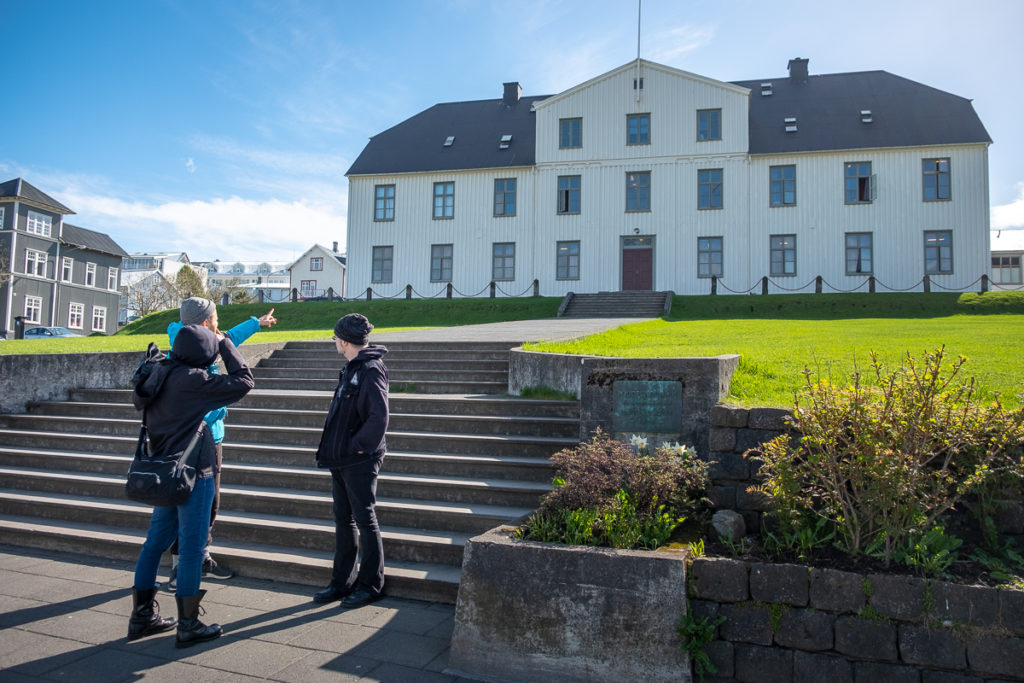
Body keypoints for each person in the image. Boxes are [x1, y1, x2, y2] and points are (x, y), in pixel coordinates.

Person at [128, 324, 254, 647]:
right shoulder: (195, 381)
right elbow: (244, 381)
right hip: (196, 473)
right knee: (192, 547)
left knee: (155, 542)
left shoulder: (160, 373)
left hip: (164, 471)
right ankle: (188, 624)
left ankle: (141, 616)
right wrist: (226, 345)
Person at [164, 297, 276, 588]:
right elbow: (195, 397)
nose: (219, 323)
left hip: (204, 438)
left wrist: (257, 323)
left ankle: (194, 559)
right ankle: (186, 566)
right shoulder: (193, 350)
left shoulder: (192, 340)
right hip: (199, 440)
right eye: (215, 318)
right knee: (199, 504)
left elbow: (228, 338)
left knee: (202, 504)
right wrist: (219, 407)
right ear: (204, 322)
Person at [312, 313, 390, 608]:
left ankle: (370, 585)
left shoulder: (370, 369)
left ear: (344, 341)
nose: (335, 343)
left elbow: (378, 417)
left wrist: (359, 447)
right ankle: (341, 582)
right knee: (343, 520)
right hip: (340, 457)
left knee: (364, 519)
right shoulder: (352, 368)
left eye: (335, 339)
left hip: (359, 459)